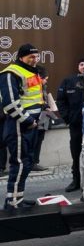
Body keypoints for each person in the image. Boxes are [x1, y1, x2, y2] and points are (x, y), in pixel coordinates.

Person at [1, 43, 44, 209]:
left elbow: (33, 97)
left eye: (36, 56)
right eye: (30, 57)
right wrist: (29, 121)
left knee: (26, 162)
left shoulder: (32, 71)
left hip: (30, 124)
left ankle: (18, 198)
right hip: (19, 125)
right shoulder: (10, 73)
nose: (34, 59)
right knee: (19, 163)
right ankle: (12, 202)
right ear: (21, 58)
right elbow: (10, 104)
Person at [58, 58, 84, 193]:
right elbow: (61, 100)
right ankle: (76, 180)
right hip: (75, 124)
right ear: (78, 66)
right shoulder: (69, 81)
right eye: (81, 64)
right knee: (76, 152)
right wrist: (67, 117)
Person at [30, 67, 53, 172]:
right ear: (39, 77)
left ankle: (35, 162)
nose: (46, 81)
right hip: (35, 117)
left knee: (39, 140)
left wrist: (47, 106)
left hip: (43, 116)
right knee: (33, 140)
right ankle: (31, 163)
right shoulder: (33, 86)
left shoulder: (43, 86)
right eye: (45, 79)